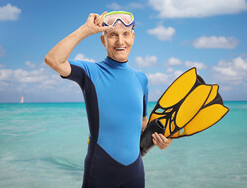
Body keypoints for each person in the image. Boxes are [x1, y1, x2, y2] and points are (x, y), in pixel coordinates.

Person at [44, 11, 172, 188]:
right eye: (113, 35)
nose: (120, 41)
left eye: (125, 34)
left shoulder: (141, 79)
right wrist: (86, 30)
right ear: (103, 40)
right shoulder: (91, 72)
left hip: (135, 171)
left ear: (132, 37)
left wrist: (160, 139)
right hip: (100, 170)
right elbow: (53, 59)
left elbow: (142, 122)